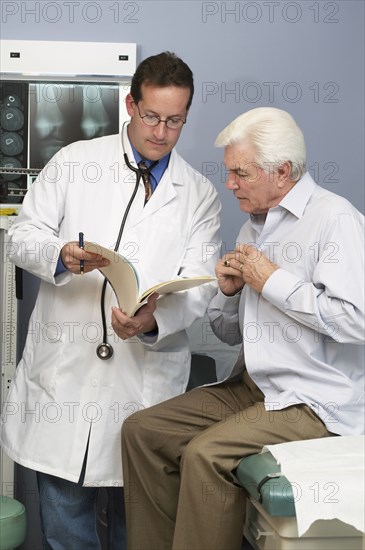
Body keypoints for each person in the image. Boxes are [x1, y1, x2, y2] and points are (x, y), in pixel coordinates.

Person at [0, 52, 221, 549]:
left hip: (143, 385)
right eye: (151, 117)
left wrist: (150, 321)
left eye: (175, 121)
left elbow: (202, 285)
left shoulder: (199, 194)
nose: (161, 132)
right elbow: (20, 236)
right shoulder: (77, 162)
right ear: (130, 105)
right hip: (68, 377)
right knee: (65, 532)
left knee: (136, 535)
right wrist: (61, 255)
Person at [121, 107, 365, 550]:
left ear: (283, 171)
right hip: (254, 386)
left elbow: (357, 320)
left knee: (206, 454)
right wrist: (231, 293)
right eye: (229, 172)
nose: (230, 184)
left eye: (240, 173)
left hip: (313, 399)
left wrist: (272, 281)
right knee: (143, 431)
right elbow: (230, 335)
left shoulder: (335, 219)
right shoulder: (254, 229)